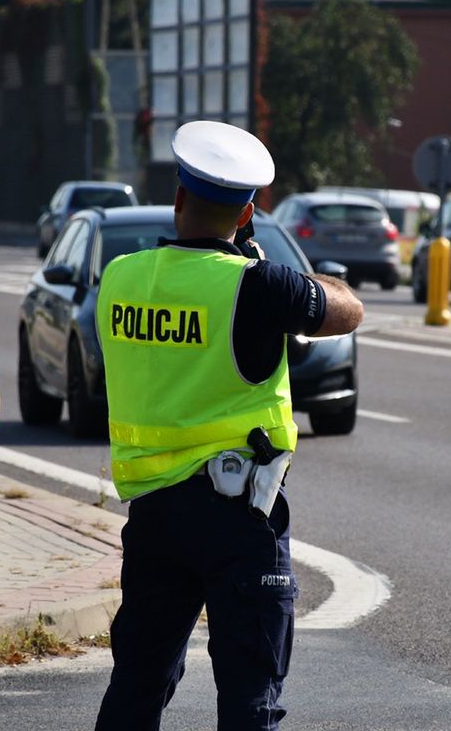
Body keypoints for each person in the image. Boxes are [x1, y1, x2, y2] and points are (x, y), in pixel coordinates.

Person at [94, 120, 364, 730]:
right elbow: (347, 310)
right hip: (239, 519)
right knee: (249, 703)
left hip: (155, 515)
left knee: (135, 689)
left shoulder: (121, 276)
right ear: (248, 214)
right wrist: (286, 272)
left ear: (178, 197)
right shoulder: (258, 283)